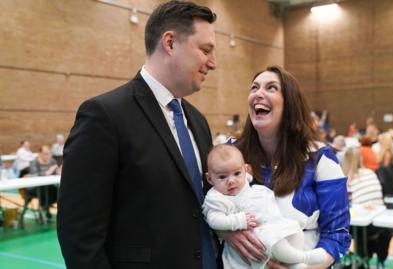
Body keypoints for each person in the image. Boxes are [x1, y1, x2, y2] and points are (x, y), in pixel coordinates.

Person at [57, 1, 220, 268]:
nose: (212, 63)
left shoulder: (198, 122)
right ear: (170, 43)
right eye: (205, 50)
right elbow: (79, 235)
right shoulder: (105, 115)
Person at [224, 66, 351, 269]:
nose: (258, 93)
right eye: (254, 88)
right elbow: (210, 210)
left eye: (271, 88)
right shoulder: (230, 154)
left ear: (290, 103)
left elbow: (338, 235)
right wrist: (227, 233)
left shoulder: (320, 157)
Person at [204, 144, 328, 269]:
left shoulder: (243, 182)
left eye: (236, 173)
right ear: (210, 179)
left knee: (294, 230)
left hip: (265, 227)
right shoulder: (216, 198)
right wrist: (238, 220)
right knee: (274, 240)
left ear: (245, 169)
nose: (231, 181)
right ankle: (303, 257)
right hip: (251, 237)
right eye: (222, 177)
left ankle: (295, 264)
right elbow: (214, 220)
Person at [27, 145, 60, 219]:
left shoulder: (52, 161)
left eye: (49, 153)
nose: (48, 155)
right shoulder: (34, 162)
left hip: (48, 186)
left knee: (58, 191)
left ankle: (46, 207)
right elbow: (34, 175)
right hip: (35, 187)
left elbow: (55, 173)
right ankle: (43, 208)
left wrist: (58, 171)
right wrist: (47, 172)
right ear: (40, 153)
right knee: (44, 191)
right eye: (46, 153)